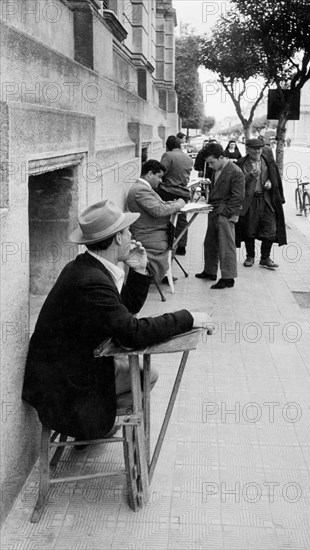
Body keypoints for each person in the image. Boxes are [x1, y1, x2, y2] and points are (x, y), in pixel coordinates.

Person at [22, 199, 211, 441]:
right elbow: (132, 333)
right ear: (119, 238)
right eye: (127, 230)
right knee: (148, 374)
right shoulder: (91, 279)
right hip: (65, 385)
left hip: (64, 371)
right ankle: (93, 426)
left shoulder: (87, 267)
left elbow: (122, 311)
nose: (132, 235)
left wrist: (140, 270)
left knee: (136, 369)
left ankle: (94, 428)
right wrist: (188, 317)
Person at [126, 160, 186, 284]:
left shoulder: (142, 188)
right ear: (149, 174)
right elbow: (159, 210)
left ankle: (160, 273)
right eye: (159, 177)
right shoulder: (140, 190)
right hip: (147, 234)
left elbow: (160, 205)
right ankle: (154, 275)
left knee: (173, 241)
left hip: (150, 231)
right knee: (172, 242)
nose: (160, 181)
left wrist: (173, 204)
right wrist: (178, 204)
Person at [195, 142, 245, 289]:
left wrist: (225, 214)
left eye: (212, 162)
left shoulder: (235, 172)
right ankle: (210, 271)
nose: (210, 166)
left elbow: (238, 197)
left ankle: (228, 278)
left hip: (225, 214)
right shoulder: (216, 169)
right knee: (210, 242)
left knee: (226, 246)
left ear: (222, 157)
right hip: (215, 211)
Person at [235, 136, 287, 269]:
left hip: (267, 200)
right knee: (249, 230)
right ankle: (250, 256)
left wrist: (269, 182)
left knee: (270, 229)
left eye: (259, 149)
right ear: (247, 149)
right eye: (254, 149)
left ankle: (265, 258)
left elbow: (275, 178)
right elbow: (237, 184)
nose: (257, 152)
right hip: (250, 201)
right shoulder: (240, 164)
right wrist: (249, 176)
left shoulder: (268, 162)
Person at [157, 136, 194, 256]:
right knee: (182, 219)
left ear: (167, 146)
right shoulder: (188, 158)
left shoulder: (168, 155)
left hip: (168, 191)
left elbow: (161, 172)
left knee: (164, 217)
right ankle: (181, 246)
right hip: (183, 193)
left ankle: (165, 244)